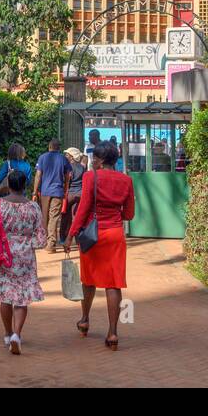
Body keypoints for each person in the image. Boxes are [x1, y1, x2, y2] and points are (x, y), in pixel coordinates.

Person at [68, 141, 134, 350]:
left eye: (95, 157)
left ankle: (85, 319)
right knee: (113, 283)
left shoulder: (91, 177)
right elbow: (129, 214)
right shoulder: (126, 180)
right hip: (115, 234)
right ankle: (113, 333)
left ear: (102, 159)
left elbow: (84, 209)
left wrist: (70, 235)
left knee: (88, 280)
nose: (93, 160)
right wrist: (116, 216)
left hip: (92, 235)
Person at [0, 169, 45, 354]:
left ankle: (7, 333)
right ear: (25, 186)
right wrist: (27, 242)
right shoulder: (33, 207)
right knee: (21, 299)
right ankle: (17, 334)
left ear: (9, 185)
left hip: (2, 255)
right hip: (24, 258)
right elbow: (41, 239)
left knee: (5, 297)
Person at [33, 138, 71, 253]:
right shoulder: (63, 159)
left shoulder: (42, 157)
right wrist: (65, 189)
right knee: (54, 217)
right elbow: (67, 176)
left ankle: (47, 242)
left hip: (45, 192)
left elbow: (38, 175)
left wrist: (35, 192)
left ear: (49, 147)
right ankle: (51, 243)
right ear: (58, 148)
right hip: (58, 191)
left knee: (45, 217)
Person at [60, 147, 86, 251]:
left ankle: (63, 238)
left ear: (71, 157)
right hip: (80, 194)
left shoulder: (68, 167)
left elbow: (67, 180)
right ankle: (78, 240)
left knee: (65, 217)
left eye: (67, 155)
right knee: (77, 218)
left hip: (69, 194)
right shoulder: (82, 167)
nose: (65, 156)